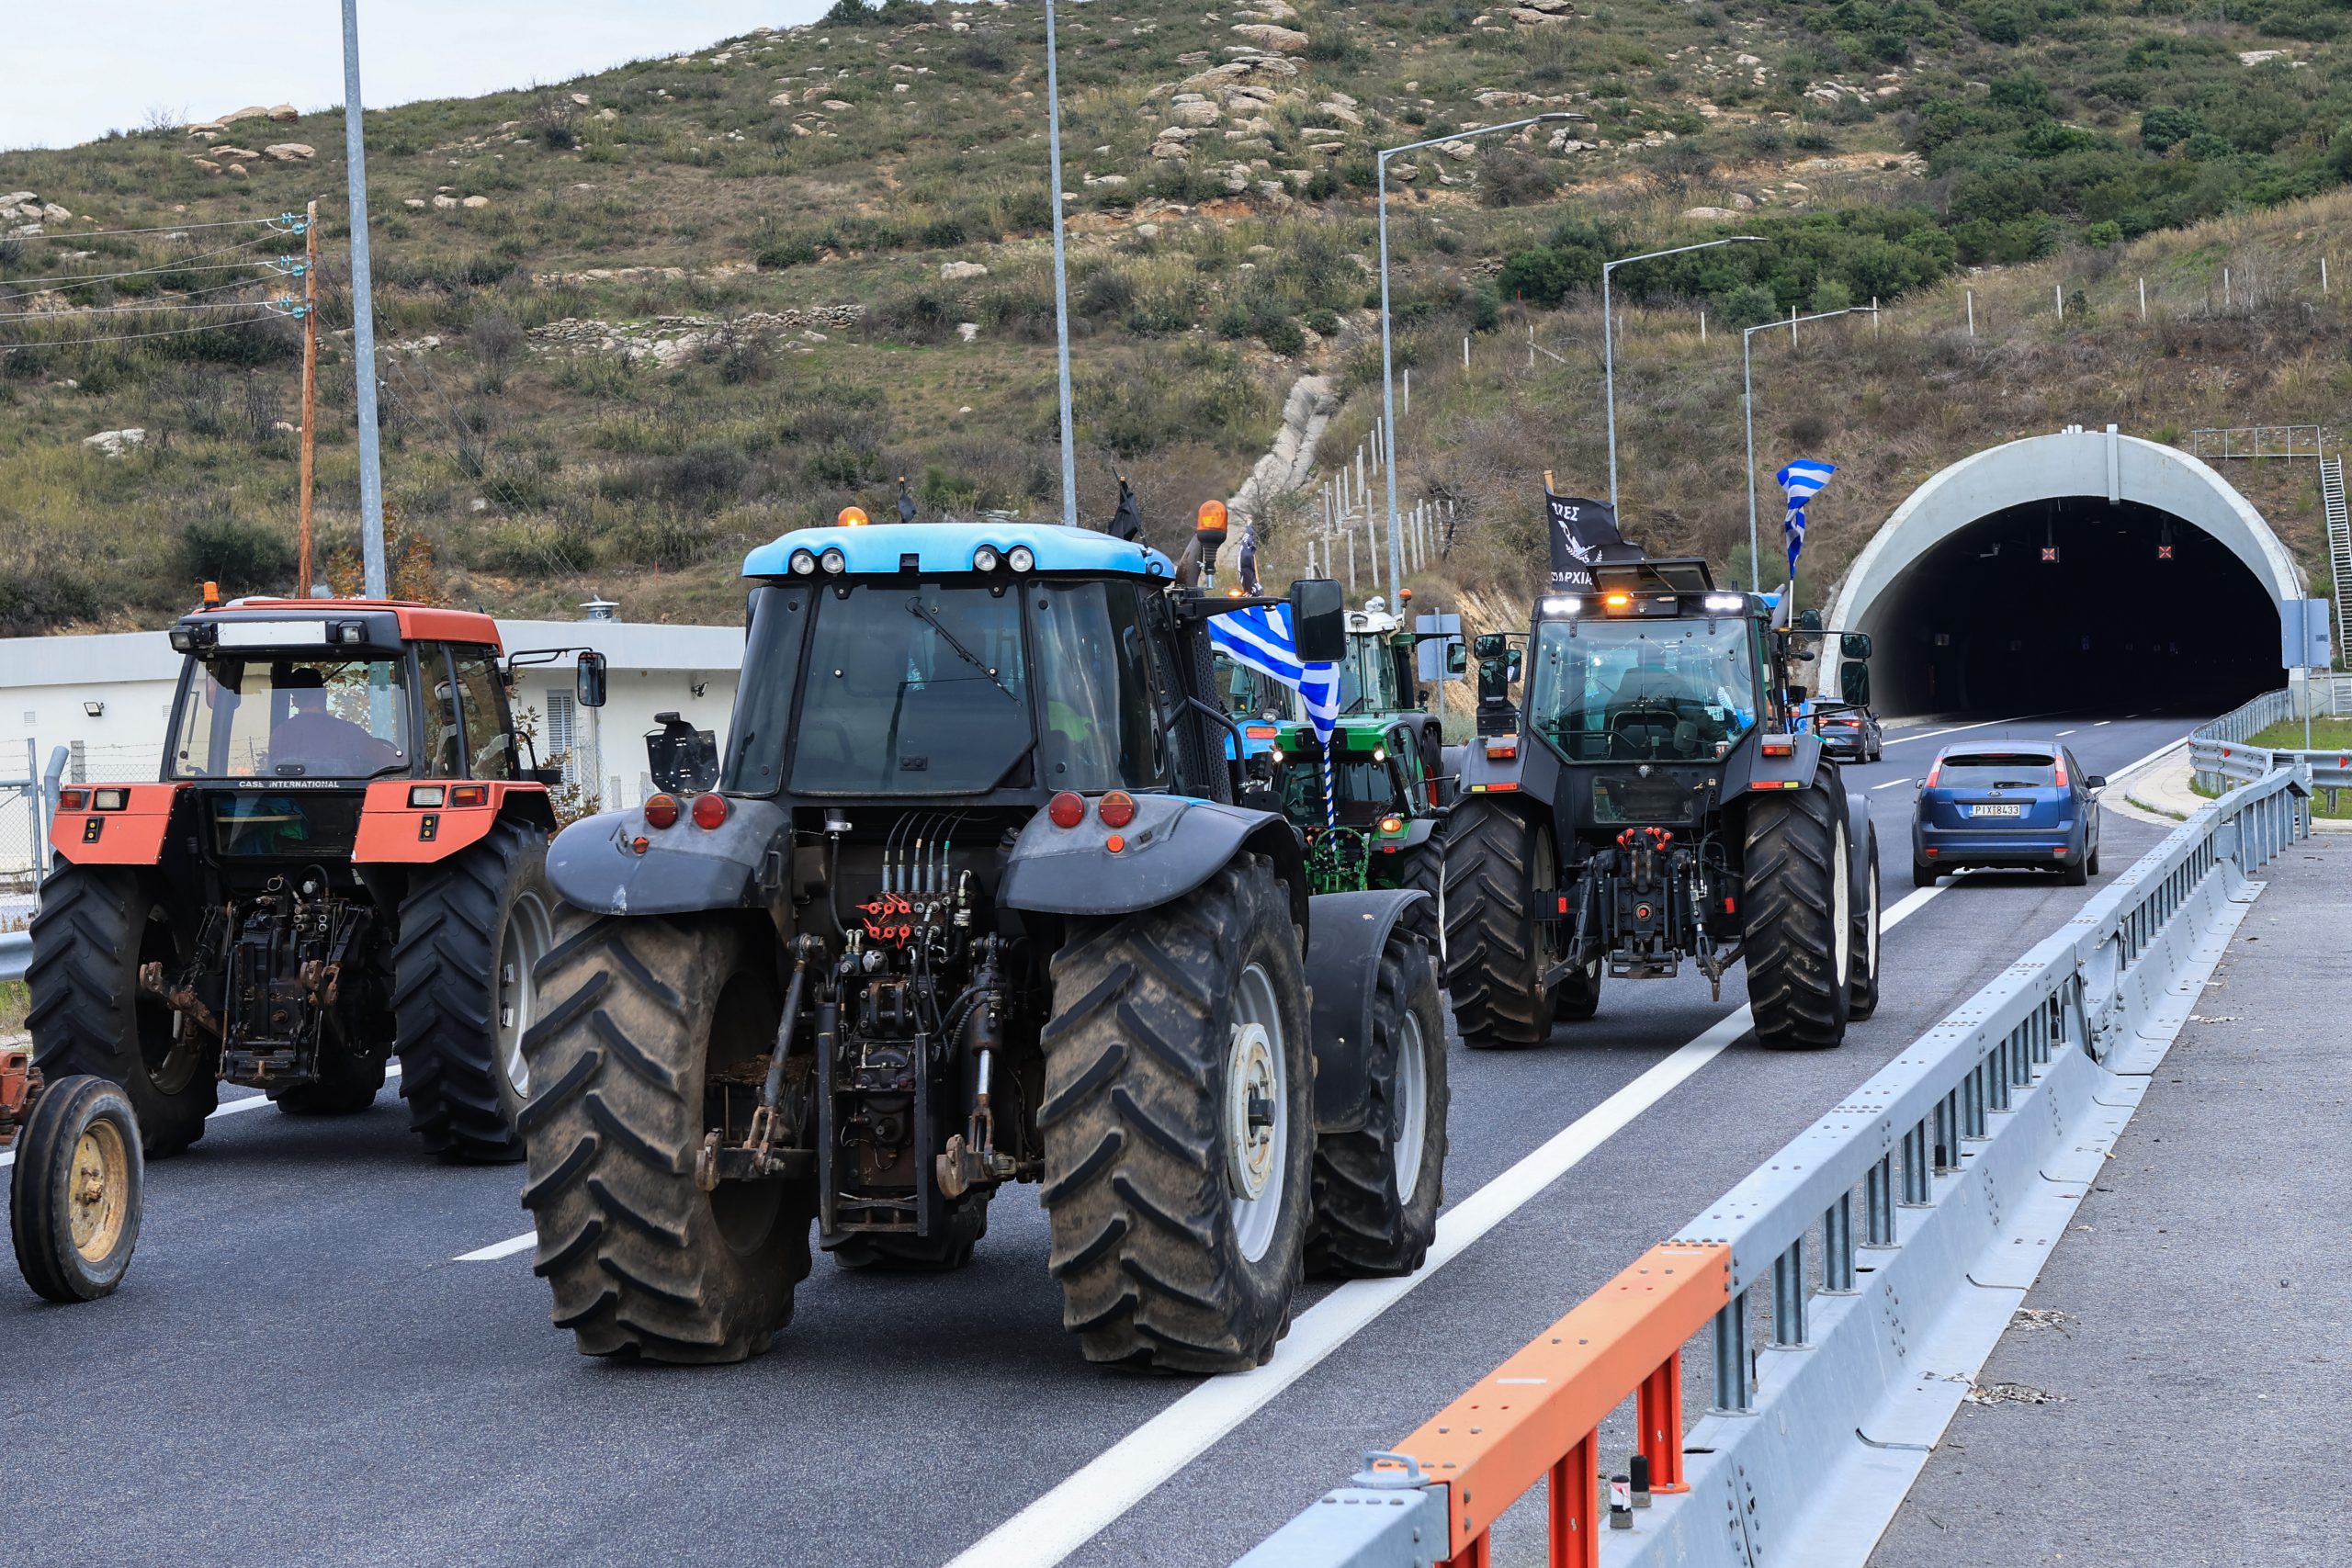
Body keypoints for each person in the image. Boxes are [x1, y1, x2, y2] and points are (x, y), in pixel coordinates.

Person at [269, 666, 403, 777]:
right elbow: (394, 762)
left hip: (292, 806)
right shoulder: (348, 732)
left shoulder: (280, 734)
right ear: (324, 694)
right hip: (344, 807)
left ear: (295, 702)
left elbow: (272, 771)